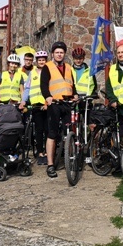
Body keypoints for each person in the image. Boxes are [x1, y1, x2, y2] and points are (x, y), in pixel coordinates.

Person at [40, 41, 77, 178]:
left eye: (61, 52)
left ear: (64, 54)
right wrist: (48, 97)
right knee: (52, 133)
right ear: (53, 54)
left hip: (67, 104)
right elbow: (43, 85)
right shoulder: (47, 67)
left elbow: (72, 85)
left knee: (69, 131)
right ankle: (50, 165)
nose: (59, 54)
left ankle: (70, 159)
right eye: (57, 52)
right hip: (54, 104)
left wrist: (76, 95)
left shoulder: (68, 67)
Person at [21, 51, 49, 165]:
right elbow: (27, 88)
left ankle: (48, 152)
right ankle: (40, 152)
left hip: (46, 104)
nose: (41, 62)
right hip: (36, 105)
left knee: (48, 130)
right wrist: (23, 100)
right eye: (39, 60)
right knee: (38, 130)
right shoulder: (32, 73)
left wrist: (47, 103)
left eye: (43, 60)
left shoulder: (49, 72)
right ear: (36, 61)